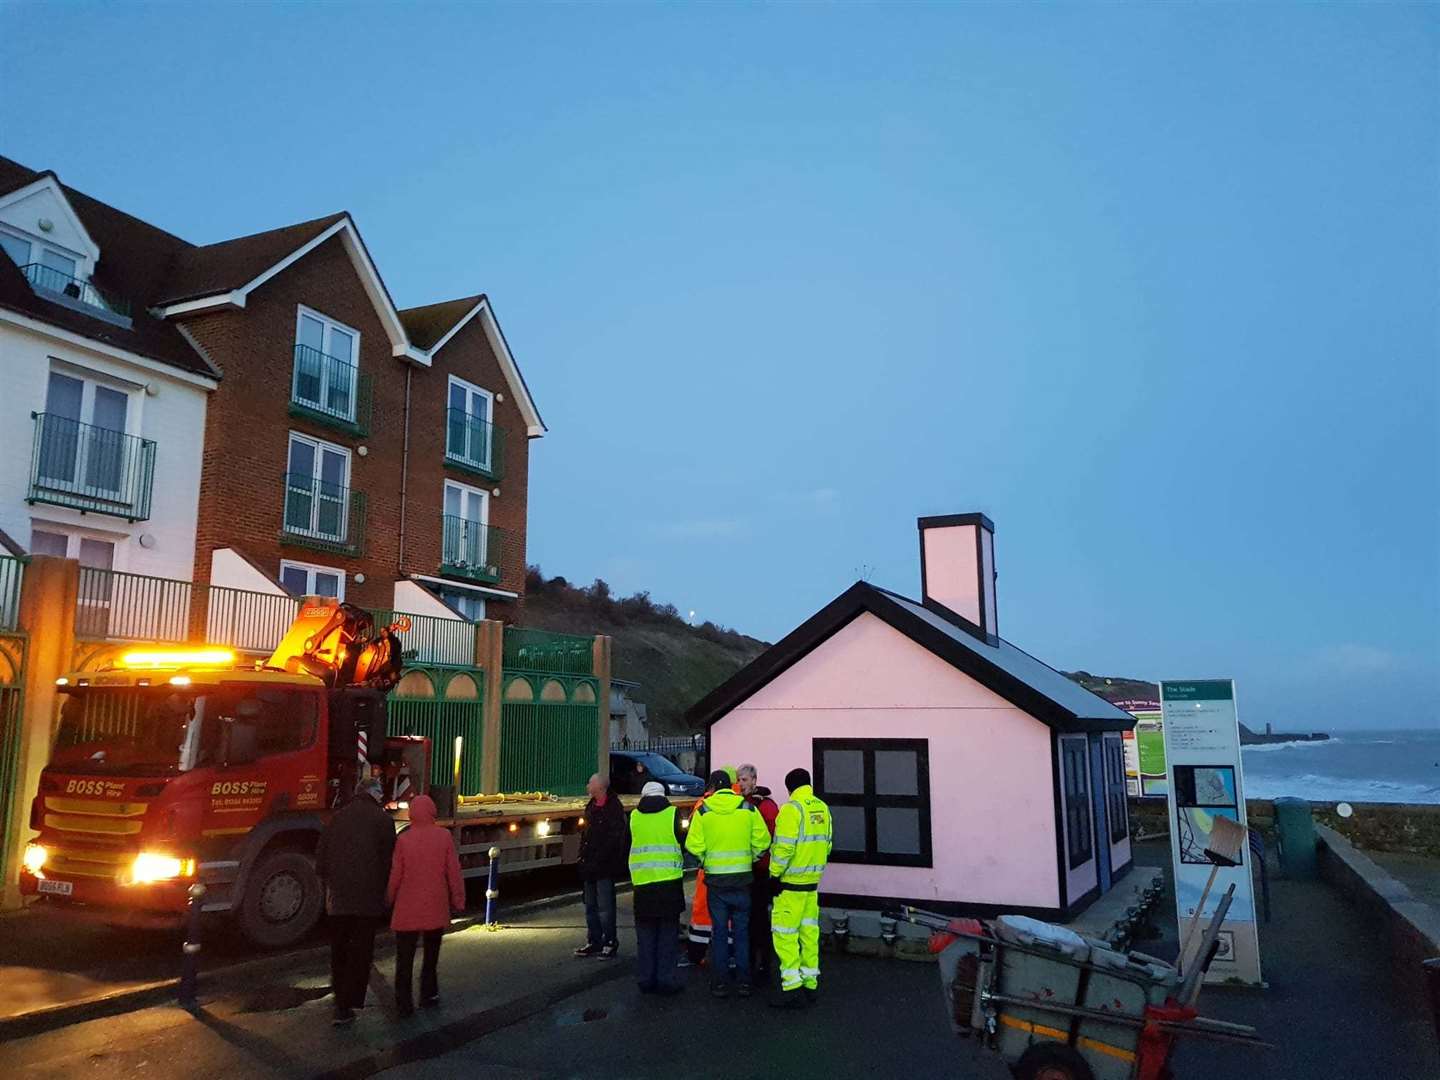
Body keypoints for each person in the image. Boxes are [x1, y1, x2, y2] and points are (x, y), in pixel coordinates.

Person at [316, 776, 395, 1026]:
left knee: (339, 951)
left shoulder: (337, 818)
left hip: (338, 899)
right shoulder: (382, 820)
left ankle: (340, 1005)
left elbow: (321, 857)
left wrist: (330, 883)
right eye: (380, 791)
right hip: (367, 900)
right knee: (361, 951)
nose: (382, 795)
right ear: (372, 793)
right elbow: (388, 860)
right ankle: (350, 1002)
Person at [685, 768, 771, 998]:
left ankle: (720, 984)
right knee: (742, 934)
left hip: (716, 883)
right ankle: (744, 982)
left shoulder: (704, 810)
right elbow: (763, 842)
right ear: (731, 785)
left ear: (714, 786)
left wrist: (706, 861)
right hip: (743, 880)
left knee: (720, 934)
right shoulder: (748, 809)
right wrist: (750, 858)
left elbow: (692, 845)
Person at [386, 793, 465, 1017]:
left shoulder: (403, 840)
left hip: (406, 910)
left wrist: (388, 899)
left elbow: (396, 875)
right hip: (435, 907)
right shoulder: (444, 837)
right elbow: (453, 872)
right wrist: (458, 900)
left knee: (404, 959)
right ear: (432, 812)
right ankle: (428, 994)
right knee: (431, 957)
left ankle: (403, 1003)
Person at [769, 767, 832, 1008]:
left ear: (789, 787)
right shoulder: (822, 808)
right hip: (811, 885)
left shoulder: (791, 810)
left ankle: (791, 987)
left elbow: (784, 847)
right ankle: (810, 983)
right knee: (809, 934)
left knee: (785, 935)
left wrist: (774, 875)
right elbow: (827, 845)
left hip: (790, 886)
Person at [629, 780, 686, 995]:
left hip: (643, 884)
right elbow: (683, 841)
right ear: (663, 795)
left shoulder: (634, 817)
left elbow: (628, 844)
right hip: (669, 883)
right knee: (667, 935)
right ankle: (665, 979)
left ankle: (645, 979)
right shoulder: (672, 814)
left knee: (645, 936)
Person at [574, 772, 626, 958]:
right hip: (590, 865)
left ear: (599, 787)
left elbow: (615, 838)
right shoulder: (591, 807)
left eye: (590, 783)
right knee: (590, 905)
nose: (587, 786)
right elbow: (586, 835)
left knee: (605, 907)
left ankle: (609, 941)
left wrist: (602, 858)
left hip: (604, 865)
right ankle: (594, 940)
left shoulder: (612, 808)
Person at [736, 764, 779, 986]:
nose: (741, 784)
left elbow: (773, 836)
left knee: (759, 920)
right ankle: (750, 963)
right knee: (748, 919)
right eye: (739, 780)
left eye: (744, 780)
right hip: (746, 870)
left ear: (754, 780)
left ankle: (762, 965)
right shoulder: (743, 805)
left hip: (760, 871)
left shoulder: (765, 806)